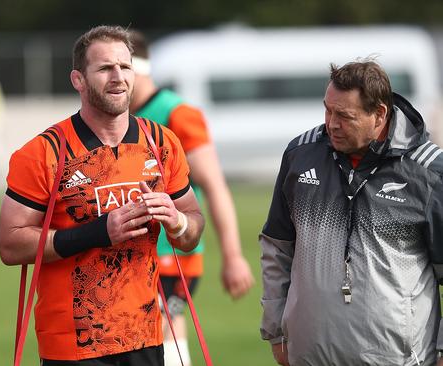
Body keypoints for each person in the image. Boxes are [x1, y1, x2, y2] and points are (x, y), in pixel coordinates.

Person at [0, 25, 204, 365]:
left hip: (145, 335)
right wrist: (97, 233)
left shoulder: (161, 142)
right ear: (78, 80)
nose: (118, 76)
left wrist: (177, 221)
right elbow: (10, 244)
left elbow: (192, 228)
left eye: (125, 66)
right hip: (73, 343)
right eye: (105, 68)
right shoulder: (43, 152)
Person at [260, 59, 443, 365]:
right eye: (327, 110)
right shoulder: (300, 155)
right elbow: (277, 248)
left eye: (344, 116)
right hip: (310, 355)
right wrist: (276, 330)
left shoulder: (428, 172)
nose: (331, 123)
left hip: (399, 359)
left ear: (379, 115)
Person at [128, 29, 255, 366]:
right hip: (129, 249)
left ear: (132, 66)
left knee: (160, 326)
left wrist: (232, 256)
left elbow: (214, 185)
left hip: (173, 251)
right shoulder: (116, 118)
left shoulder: (177, 114)